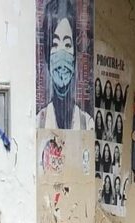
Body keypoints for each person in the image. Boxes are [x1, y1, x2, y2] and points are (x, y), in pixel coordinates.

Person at [36, 0, 94, 130]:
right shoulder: (38, 122)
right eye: (55, 44)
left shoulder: (88, 124)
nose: (61, 52)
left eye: (67, 44)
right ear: (47, 55)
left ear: (74, 55)